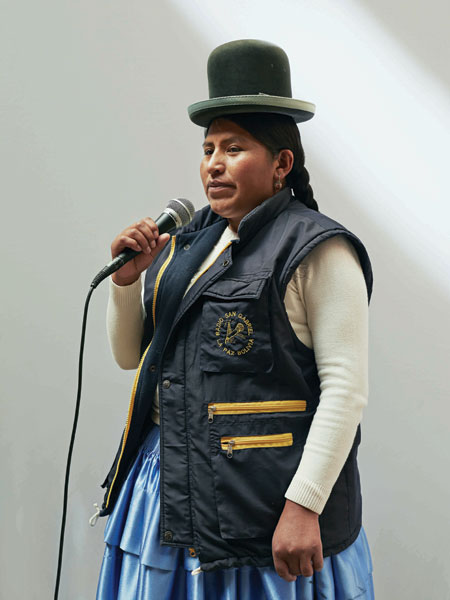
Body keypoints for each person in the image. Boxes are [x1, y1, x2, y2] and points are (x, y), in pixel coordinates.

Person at [95, 39, 375, 599]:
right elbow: (132, 358)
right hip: (166, 489)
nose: (214, 164)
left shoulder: (318, 249)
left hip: (263, 506)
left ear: (281, 163)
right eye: (207, 148)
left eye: (234, 147)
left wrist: (304, 506)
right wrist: (127, 284)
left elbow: (345, 390)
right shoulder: (190, 241)